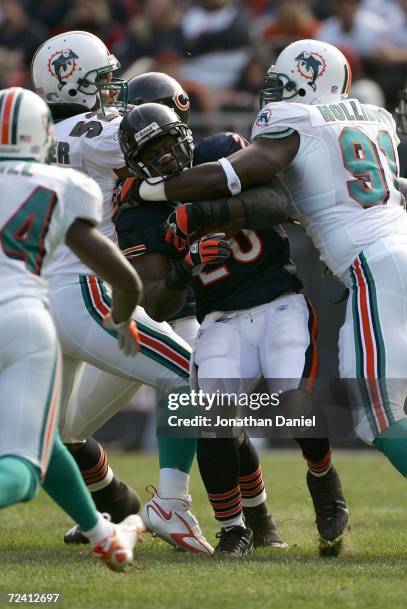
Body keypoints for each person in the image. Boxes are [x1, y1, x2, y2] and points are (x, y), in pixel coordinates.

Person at [136, 39, 407, 486]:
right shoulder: (374, 119)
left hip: (375, 267)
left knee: (377, 413)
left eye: (283, 85)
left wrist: (159, 189)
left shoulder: (294, 119)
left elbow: (237, 172)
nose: (274, 95)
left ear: (306, 84)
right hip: (390, 249)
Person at [117, 99, 349, 555]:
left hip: (279, 300)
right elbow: (158, 303)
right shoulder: (136, 214)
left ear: (184, 135)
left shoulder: (220, 153)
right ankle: (234, 528)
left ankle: (322, 477)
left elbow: (278, 202)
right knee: (215, 417)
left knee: (292, 397)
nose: (164, 157)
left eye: (168, 143)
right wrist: (185, 269)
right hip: (221, 317)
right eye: (152, 153)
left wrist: (203, 215)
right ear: (135, 165)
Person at [31, 30, 212, 554]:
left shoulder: (41, 134)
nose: (113, 91)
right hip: (85, 291)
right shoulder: (94, 130)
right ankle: (171, 504)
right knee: (195, 374)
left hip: (41, 299)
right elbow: (166, 146)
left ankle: (108, 514)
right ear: (79, 81)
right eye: (104, 80)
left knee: (57, 434)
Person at [0, 87, 144, 572]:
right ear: (41, 134)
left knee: (41, 434)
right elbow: (124, 277)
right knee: (21, 472)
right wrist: (121, 316)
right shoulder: (62, 183)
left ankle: (102, 533)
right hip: (22, 321)